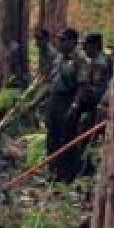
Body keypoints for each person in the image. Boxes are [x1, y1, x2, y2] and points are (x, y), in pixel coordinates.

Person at [39, 28, 92, 183]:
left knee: (66, 137)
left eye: (63, 40)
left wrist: (75, 105)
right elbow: (51, 80)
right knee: (52, 136)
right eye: (59, 40)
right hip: (54, 100)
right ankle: (52, 172)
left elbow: (82, 85)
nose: (60, 43)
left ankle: (67, 175)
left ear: (72, 42)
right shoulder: (58, 58)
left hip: (68, 100)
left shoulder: (80, 59)